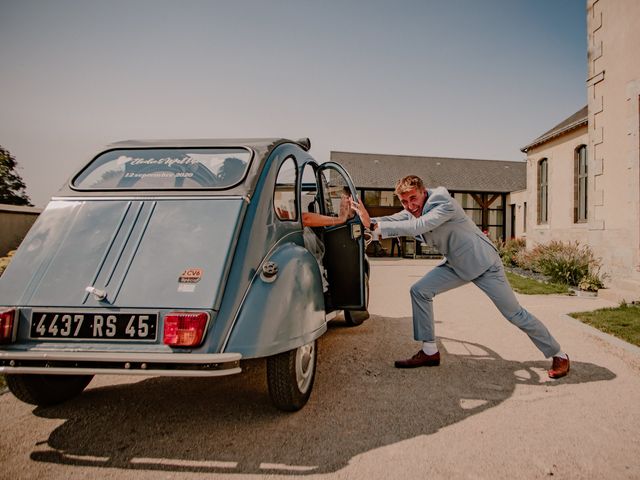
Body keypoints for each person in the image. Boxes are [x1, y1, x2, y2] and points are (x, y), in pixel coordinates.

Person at [352, 175, 570, 379]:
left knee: (515, 314)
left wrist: (373, 226)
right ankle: (429, 351)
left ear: (423, 192)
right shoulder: (411, 211)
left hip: (484, 265)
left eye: (413, 199)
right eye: (404, 201)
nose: (410, 205)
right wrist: (363, 218)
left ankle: (559, 354)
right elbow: (390, 219)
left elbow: (420, 225)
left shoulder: (441, 201)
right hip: (456, 265)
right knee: (420, 290)